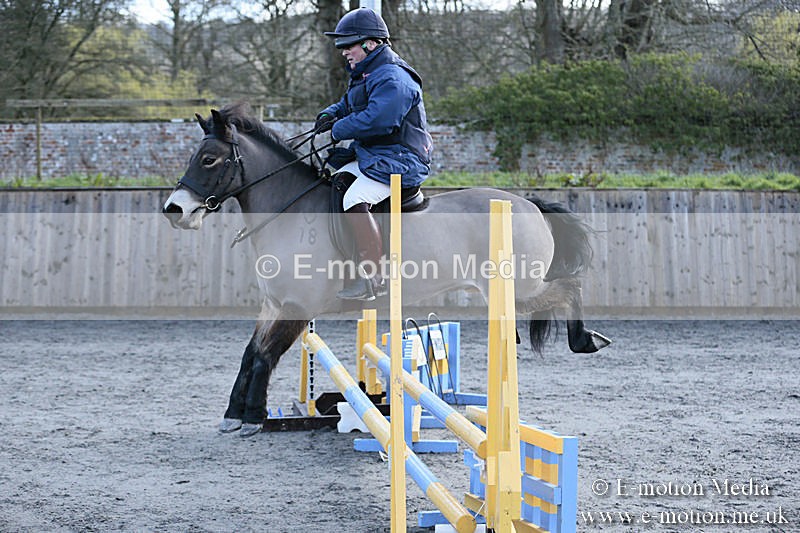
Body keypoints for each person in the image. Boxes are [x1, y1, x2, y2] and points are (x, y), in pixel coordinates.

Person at [316, 7, 433, 301]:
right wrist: (330, 114)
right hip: (379, 153)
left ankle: (374, 277)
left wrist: (338, 129)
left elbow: (379, 119)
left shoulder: (393, 76)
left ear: (370, 43)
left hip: (402, 158)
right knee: (338, 179)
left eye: (348, 45)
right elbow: (349, 103)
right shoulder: (366, 72)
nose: (343, 52)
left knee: (356, 198)